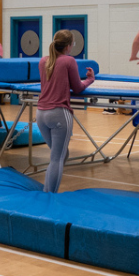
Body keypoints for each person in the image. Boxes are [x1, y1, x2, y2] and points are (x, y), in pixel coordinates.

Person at [37, 30, 95, 193]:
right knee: (57, 158)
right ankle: (49, 196)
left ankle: (46, 193)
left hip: (41, 113)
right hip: (59, 113)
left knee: (60, 155)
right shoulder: (69, 61)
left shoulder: (43, 61)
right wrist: (90, 79)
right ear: (69, 46)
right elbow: (77, 88)